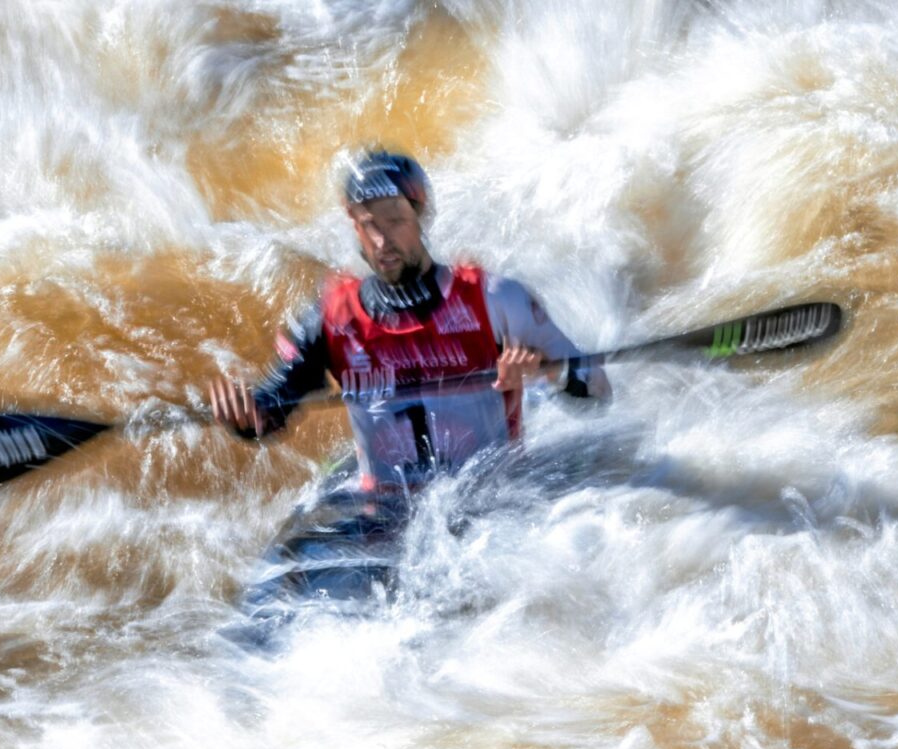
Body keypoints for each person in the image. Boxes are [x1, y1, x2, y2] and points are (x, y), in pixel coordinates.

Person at [209, 149, 609, 605]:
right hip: (386, 515)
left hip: (489, 506)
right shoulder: (330, 319)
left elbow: (597, 390)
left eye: (394, 219)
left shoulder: (496, 299)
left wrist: (546, 372)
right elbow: (273, 407)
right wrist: (247, 419)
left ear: (421, 214)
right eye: (367, 224)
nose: (381, 240)